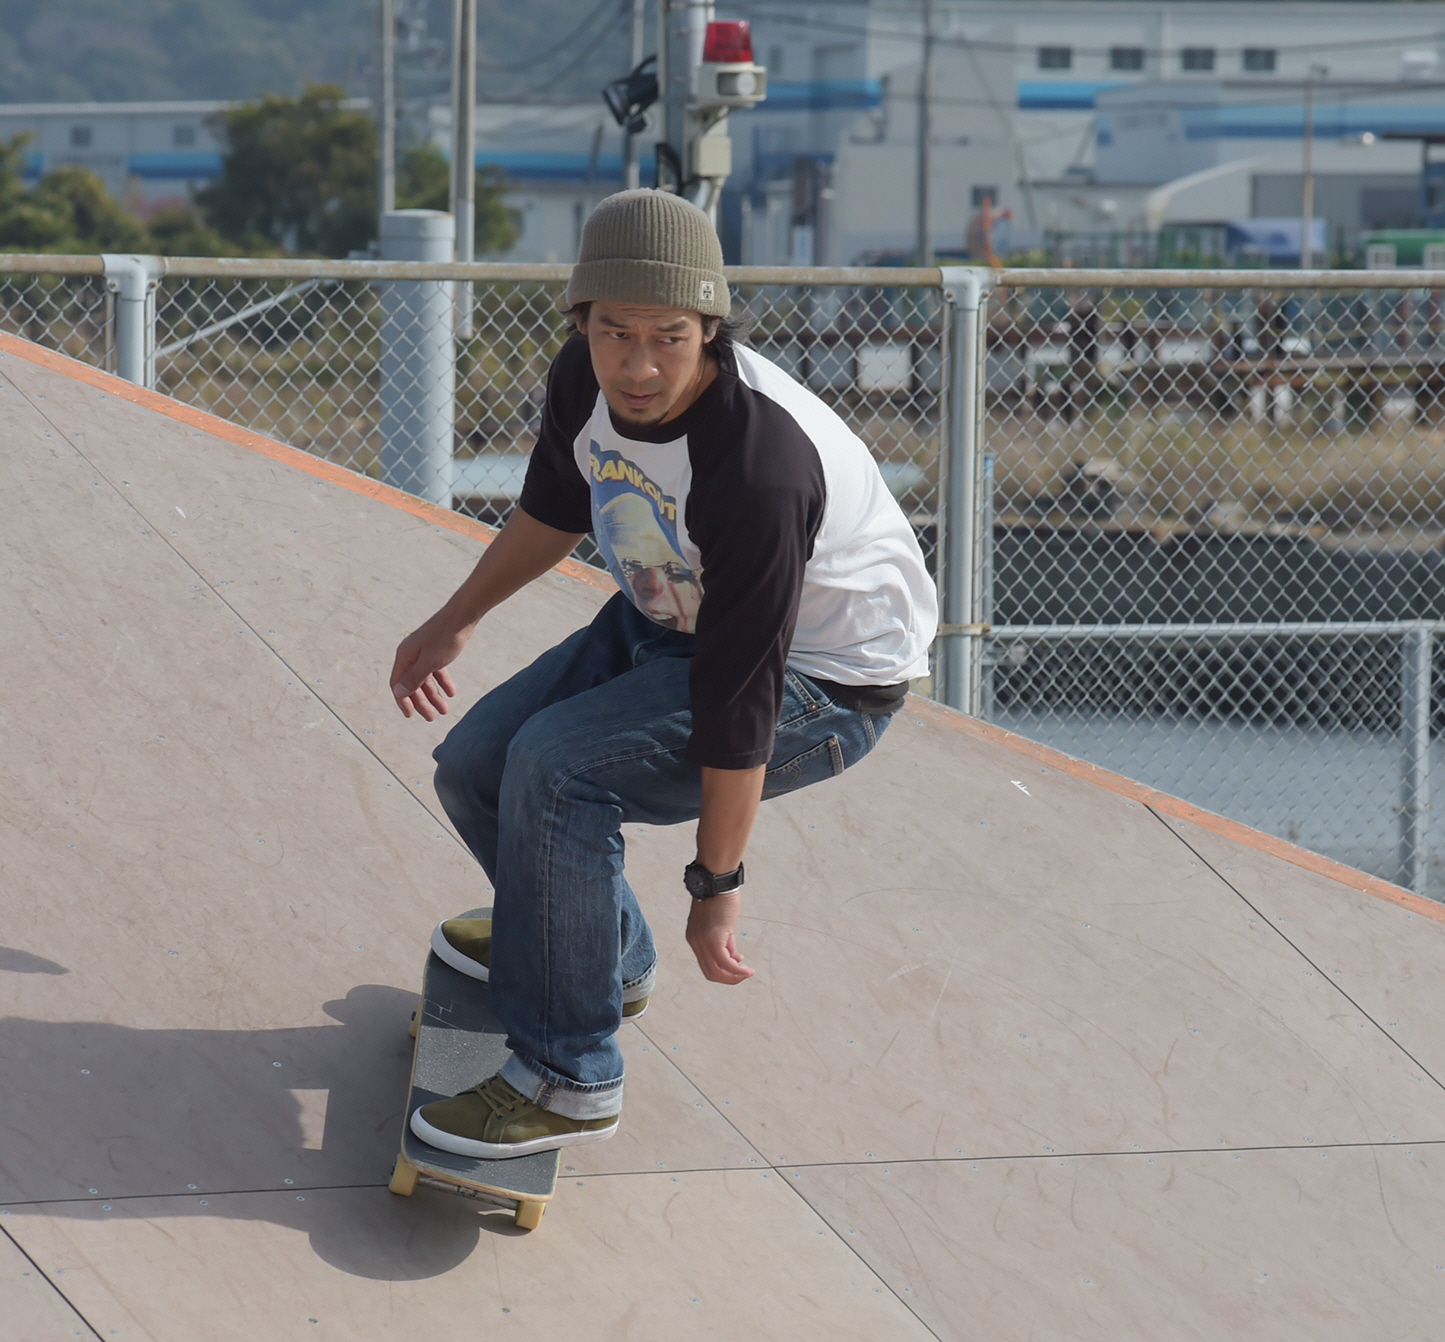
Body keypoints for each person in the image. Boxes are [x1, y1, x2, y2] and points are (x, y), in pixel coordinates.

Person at [388, 188, 937, 1160]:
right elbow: (555, 509)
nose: (637, 367)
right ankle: (594, 954)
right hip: (668, 614)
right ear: (580, 324)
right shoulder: (583, 381)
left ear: (711, 329)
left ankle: (568, 1075)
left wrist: (714, 884)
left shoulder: (758, 466)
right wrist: (452, 620)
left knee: (556, 771)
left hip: (820, 682)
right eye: (613, 334)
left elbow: (740, 702)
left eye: (667, 338)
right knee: (474, 763)